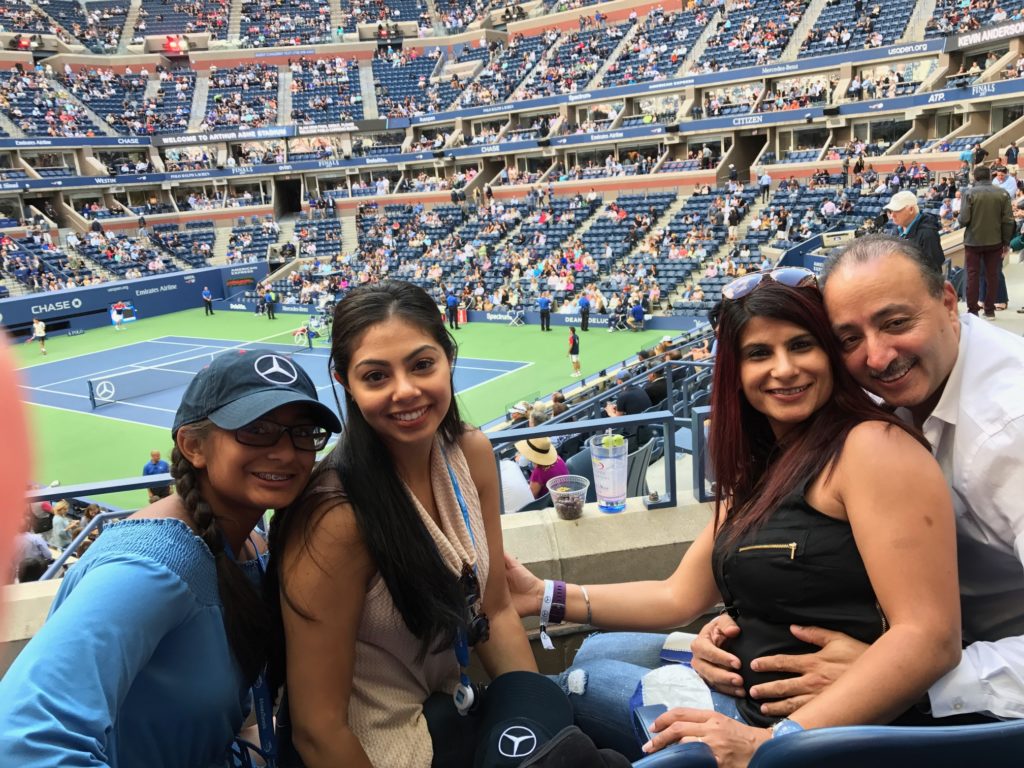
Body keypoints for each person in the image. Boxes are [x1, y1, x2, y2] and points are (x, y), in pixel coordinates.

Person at [506, 269, 960, 766]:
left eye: (801, 345)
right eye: (759, 353)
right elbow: (678, 596)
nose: (784, 369)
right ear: (735, 372)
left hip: (789, 731)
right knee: (595, 651)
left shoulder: (872, 448)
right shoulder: (765, 462)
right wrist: (543, 597)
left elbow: (929, 638)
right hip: (749, 692)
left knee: (574, 684)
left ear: (829, 353)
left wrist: (767, 746)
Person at [691, 235, 1024, 725]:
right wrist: (745, 621)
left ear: (949, 302)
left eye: (896, 323)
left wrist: (902, 675)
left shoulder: (1010, 431)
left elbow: (927, 641)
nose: (877, 358)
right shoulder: (883, 392)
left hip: (983, 710)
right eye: (849, 339)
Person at [0, 350, 340, 767]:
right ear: (193, 446)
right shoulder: (146, 567)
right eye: (257, 430)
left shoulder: (251, 548)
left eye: (303, 433)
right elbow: (22, 742)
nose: (287, 453)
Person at [267, 281, 547, 767]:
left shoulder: (471, 454)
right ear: (345, 383)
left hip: (449, 717)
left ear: (448, 358)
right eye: (376, 376)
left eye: (422, 365)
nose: (405, 391)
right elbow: (318, 730)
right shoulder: (335, 518)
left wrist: (535, 724)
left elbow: (496, 609)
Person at [958, 165, 1014, 318]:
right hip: (995, 241)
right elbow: (1008, 221)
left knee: (972, 275)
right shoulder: (1002, 193)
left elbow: (964, 219)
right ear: (990, 176)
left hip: (973, 242)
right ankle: (989, 310)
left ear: (975, 177)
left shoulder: (969, 193)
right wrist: (1006, 242)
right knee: (992, 275)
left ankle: (973, 310)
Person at [884, 190, 944, 274]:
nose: (892, 215)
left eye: (897, 211)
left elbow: (933, 271)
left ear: (911, 209)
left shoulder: (928, 234)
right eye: (891, 211)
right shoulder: (896, 230)